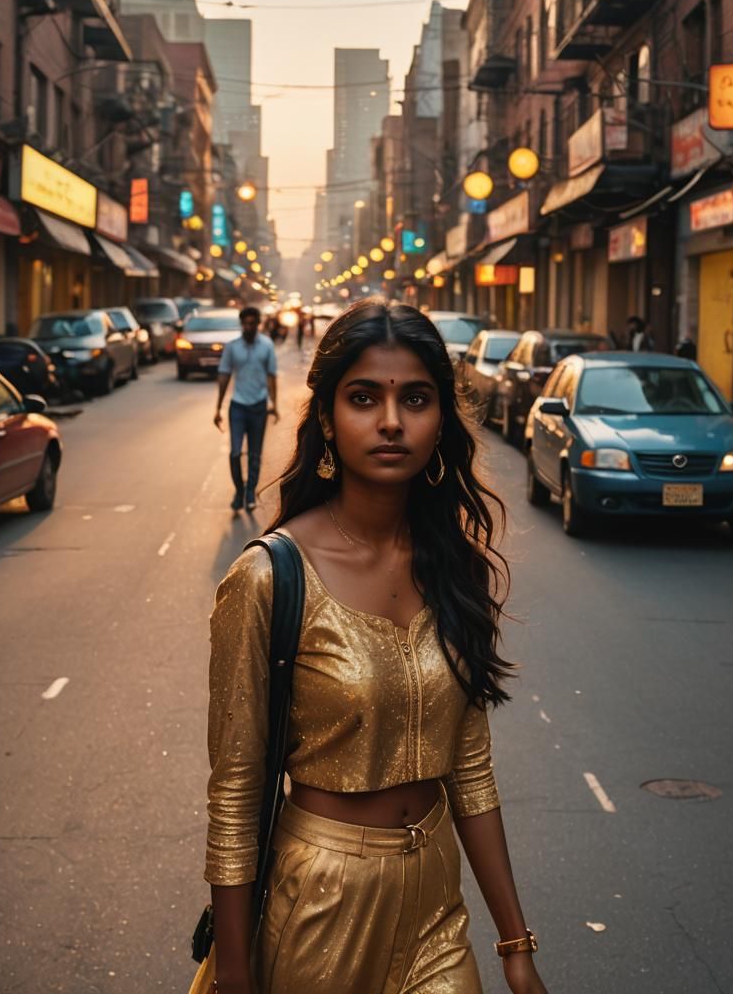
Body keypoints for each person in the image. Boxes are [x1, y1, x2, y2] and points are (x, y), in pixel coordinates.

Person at [206, 299, 550, 994]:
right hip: (321, 907)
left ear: (440, 421)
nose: (391, 421)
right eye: (364, 398)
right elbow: (237, 795)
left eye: (415, 399)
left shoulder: (452, 565)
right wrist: (236, 976)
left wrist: (516, 944)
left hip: (435, 909)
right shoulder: (269, 578)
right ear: (329, 419)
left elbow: (471, 769)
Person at [214, 306, 279, 512]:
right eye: (246, 324)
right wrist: (217, 408)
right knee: (235, 452)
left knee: (255, 453)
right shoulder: (232, 347)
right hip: (238, 407)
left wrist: (274, 404)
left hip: (259, 406)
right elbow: (224, 376)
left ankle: (251, 492)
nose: (249, 327)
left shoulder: (267, 345)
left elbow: (271, 376)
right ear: (242, 324)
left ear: (258, 324)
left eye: (252, 323)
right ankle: (239, 491)